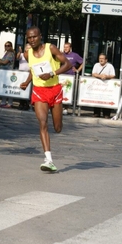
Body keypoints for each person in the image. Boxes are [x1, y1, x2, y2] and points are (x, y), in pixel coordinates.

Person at [20, 26, 72, 172]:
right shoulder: (27, 53)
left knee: (57, 128)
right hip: (39, 91)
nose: (32, 40)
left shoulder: (51, 48)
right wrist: (27, 82)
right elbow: (32, 69)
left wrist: (52, 73)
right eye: (29, 37)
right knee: (42, 123)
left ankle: (59, 124)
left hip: (54, 90)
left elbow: (67, 64)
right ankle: (48, 160)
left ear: (40, 36)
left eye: (34, 37)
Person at [91, 53, 115, 118]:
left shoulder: (110, 66)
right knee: (97, 98)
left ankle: (106, 114)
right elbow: (93, 74)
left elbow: (113, 75)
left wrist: (106, 76)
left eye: (102, 59)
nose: (101, 60)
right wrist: (100, 76)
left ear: (106, 60)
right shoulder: (96, 65)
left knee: (106, 99)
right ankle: (96, 113)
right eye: (100, 58)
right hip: (98, 86)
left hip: (107, 86)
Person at [62, 42, 83, 115]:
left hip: (70, 77)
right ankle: (60, 107)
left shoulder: (75, 55)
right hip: (61, 76)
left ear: (70, 48)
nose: (65, 48)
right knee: (60, 92)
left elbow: (83, 62)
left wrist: (78, 70)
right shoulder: (62, 55)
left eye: (67, 47)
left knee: (68, 92)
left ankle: (66, 108)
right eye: (64, 47)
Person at [0, 41, 15, 108]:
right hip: (4, 73)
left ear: (11, 46)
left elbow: (5, 62)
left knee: (9, 88)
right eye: (6, 45)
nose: (7, 47)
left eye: (8, 45)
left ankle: (10, 103)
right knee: (4, 87)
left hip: (8, 72)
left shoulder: (11, 53)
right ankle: (3, 102)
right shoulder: (6, 53)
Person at [17, 43, 31, 110]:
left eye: (29, 48)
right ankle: (21, 103)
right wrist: (19, 52)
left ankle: (26, 103)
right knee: (21, 87)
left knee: (28, 89)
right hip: (21, 74)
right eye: (27, 48)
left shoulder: (33, 55)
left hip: (28, 74)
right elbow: (17, 57)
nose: (28, 49)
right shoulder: (22, 55)